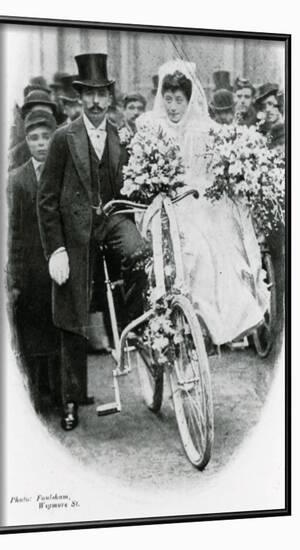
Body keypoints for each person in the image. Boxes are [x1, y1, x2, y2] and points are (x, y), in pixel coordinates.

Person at [37, 53, 147, 431]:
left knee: (141, 253)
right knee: (72, 316)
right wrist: (56, 248)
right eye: (90, 95)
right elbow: (47, 199)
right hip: (75, 234)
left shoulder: (118, 135)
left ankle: (135, 325)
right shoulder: (62, 138)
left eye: (103, 94)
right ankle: (70, 400)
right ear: (80, 98)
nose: (97, 102)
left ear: (109, 97)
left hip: (113, 220)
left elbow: (128, 187)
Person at [135, 59, 269, 347]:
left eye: (178, 100)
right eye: (168, 99)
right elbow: (143, 176)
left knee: (222, 247)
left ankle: (217, 325)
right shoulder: (150, 127)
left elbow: (212, 172)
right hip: (164, 205)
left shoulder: (204, 130)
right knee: (195, 248)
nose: (172, 107)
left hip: (198, 203)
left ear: (189, 99)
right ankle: (191, 320)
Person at [7, 109, 61, 415]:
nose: (40, 144)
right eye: (33, 138)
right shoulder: (16, 180)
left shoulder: (64, 173)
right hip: (30, 271)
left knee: (57, 337)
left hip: (58, 268)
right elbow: (11, 232)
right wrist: (14, 277)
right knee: (31, 338)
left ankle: (61, 396)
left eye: (46, 137)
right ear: (26, 141)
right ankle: (37, 398)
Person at [9, 89, 57, 170]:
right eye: (38, 114)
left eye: (48, 114)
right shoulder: (16, 155)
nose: (44, 119)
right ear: (27, 117)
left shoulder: (65, 145)